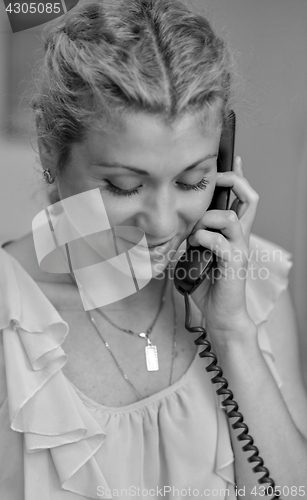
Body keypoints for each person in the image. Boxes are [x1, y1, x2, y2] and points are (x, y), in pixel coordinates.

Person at [0, 1, 307, 499]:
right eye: (123, 186)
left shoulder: (253, 293)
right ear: (47, 150)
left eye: (194, 180)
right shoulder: (10, 318)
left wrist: (232, 336)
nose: (164, 223)